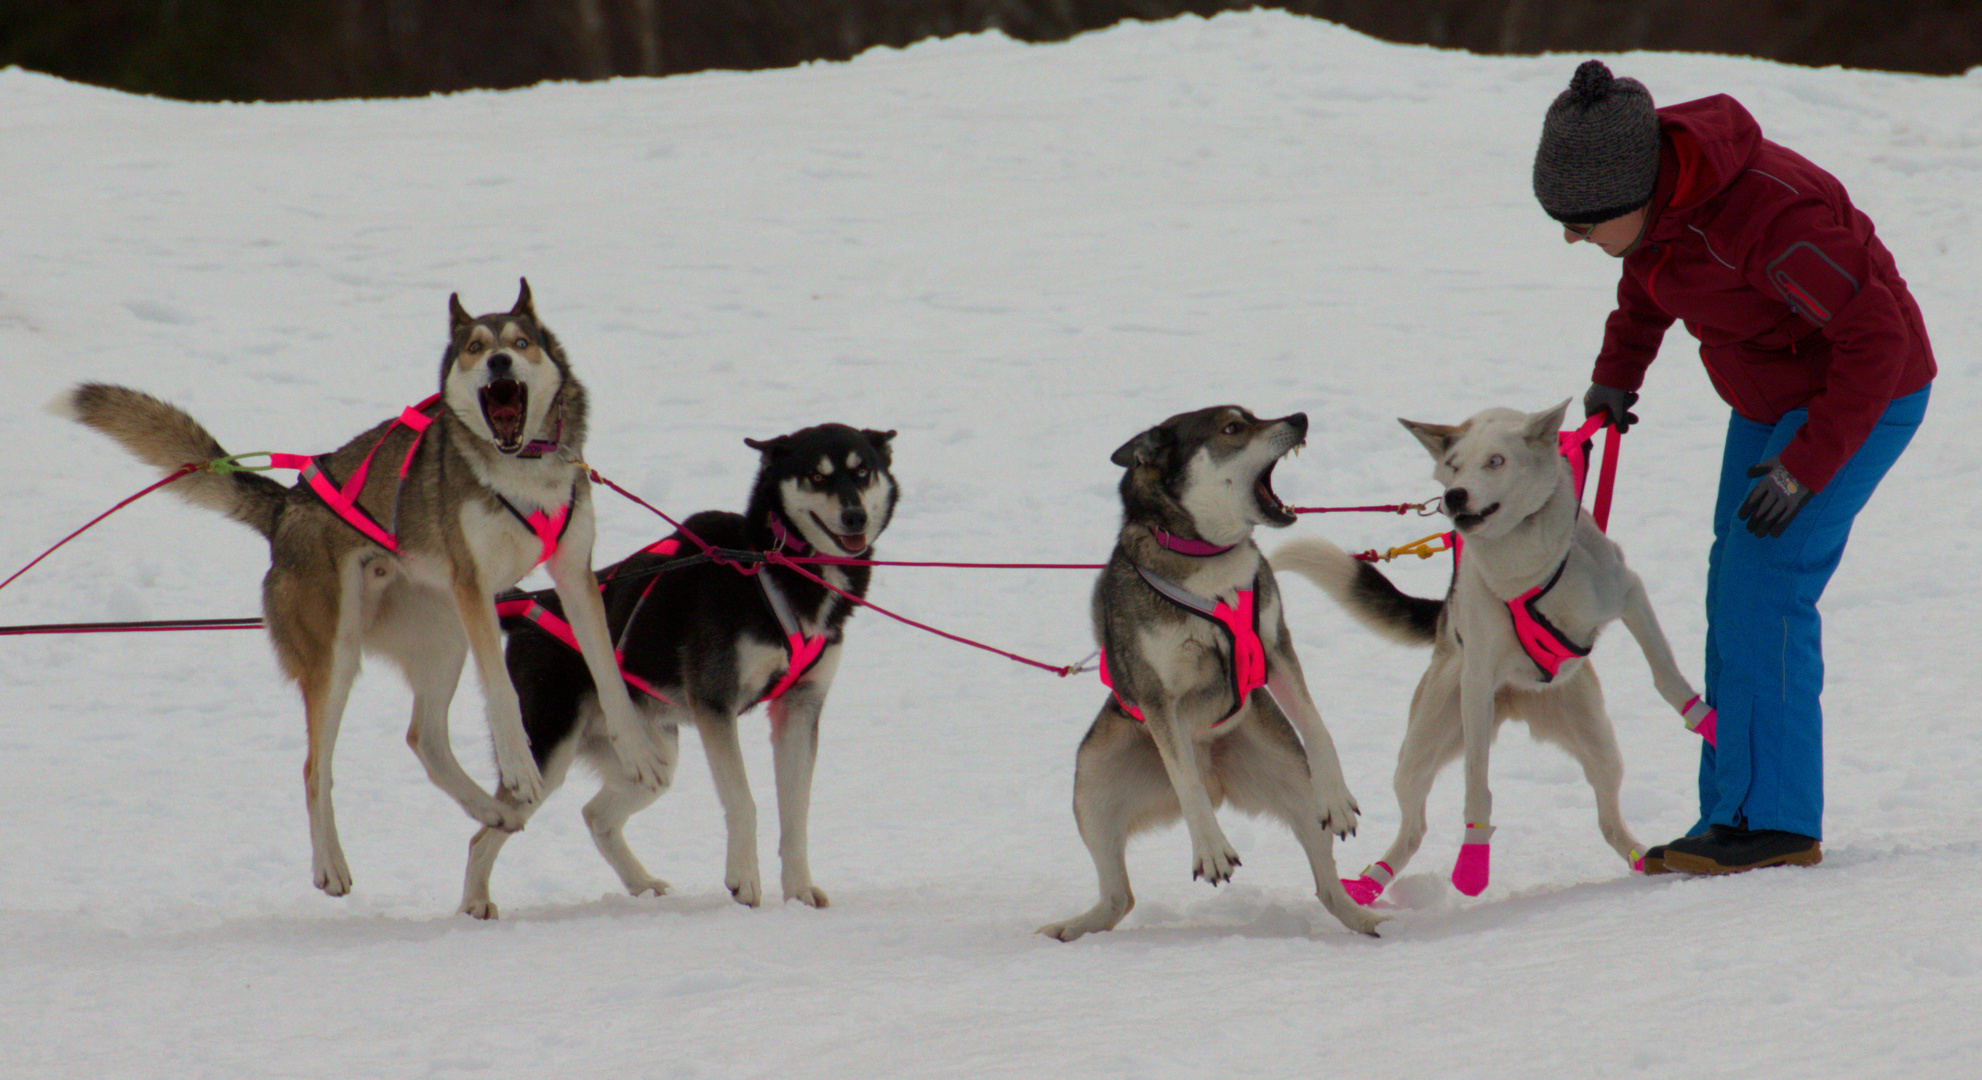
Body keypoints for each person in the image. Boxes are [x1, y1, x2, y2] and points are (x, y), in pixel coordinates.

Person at [1530, 60, 1936, 875]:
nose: (1572, 237)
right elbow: (1648, 282)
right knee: (1734, 581)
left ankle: (1776, 821)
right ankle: (1734, 810)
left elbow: (1876, 338)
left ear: (1636, 194)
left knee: (1767, 584)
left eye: (1582, 222)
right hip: (1768, 392)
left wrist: (1808, 465)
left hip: (1860, 396)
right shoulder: (1659, 204)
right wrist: (1619, 371)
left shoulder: (1772, 219)